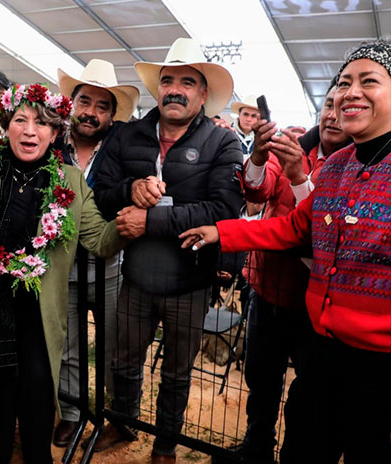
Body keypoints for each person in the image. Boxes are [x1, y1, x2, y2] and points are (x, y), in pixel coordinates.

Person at [181, 39, 391, 464]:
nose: (350, 92)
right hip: (319, 358)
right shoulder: (338, 165)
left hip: (388, 374)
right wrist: (222, 233)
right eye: (343, 82)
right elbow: (297, 226)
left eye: (368, 81)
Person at [0, 83, 127, 464]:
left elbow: (98, 238)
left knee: (37, 382)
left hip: (39, 304)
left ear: (55, 132)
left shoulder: (69, 179)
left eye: (42, 123)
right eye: (20, 120)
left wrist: (128, 227)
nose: (30, 131)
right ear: (5, 125)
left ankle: (37, 456)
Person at [93, 38, 244, 464]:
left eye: (187, 82)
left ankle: (164, 445)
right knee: (123, 361)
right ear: (157, 89)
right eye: (167, 80)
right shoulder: (128, 135)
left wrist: (150, 220)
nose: (175, 89)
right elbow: (101, 193)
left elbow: (223, 209)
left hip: (190, 281)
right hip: (136, 276)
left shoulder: (223, 142)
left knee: (177, 373)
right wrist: (130, 189)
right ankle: (122, 422)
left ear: (202, 93)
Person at [222, 82, 350, 464]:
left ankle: (294, 455)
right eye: (328, 104)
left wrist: (298, 177)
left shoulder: (355, 165)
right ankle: (256, 447)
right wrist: (260, 157)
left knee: (308, 391)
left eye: (341, 106)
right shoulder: (296, 146)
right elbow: (256, 191)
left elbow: (321, 230)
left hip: (314, 304)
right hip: (265, 288)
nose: (332, 113)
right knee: (260, 379)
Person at [52, 58, 140, 446]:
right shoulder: (50, 140)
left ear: (113, 115)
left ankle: (116, 418)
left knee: (113, 348)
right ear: (70, 103)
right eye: (85, 101)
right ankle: (71, 412)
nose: (91, 113)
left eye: (102, 106)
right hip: (58, 269)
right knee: (67, 344)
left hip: (108, 267)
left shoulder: (123, 145)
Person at [231, 94, 259, 160]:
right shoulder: (228, 134)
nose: (248, 119)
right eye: (245, 114)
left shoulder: (262, 139)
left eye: (253, 116)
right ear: (239, 114)